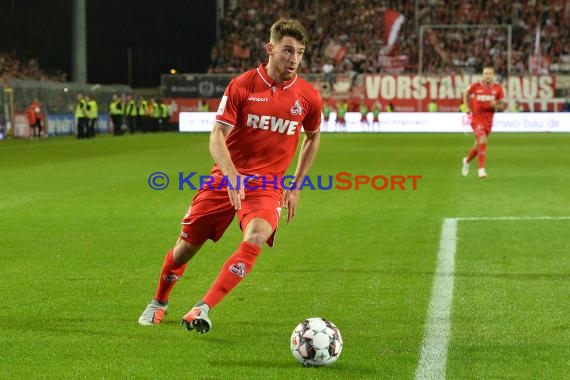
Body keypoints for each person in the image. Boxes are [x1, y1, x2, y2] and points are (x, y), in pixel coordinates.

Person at [138, 19, 323, 334]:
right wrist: (233, 175)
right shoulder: (243, 85)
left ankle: (203, 307)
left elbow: (313, 137)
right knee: (185, 248)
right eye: (287, 50)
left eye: (300, 53)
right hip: (225, 180)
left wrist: (296, 183)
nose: (294, 59)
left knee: (256, 236)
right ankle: (159, 301)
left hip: (267, 187)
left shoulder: (307, 96)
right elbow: (216, 136)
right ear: (270, 48)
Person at [461, 65, 506, 178]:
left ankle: (466, 161)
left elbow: (502, 105)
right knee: (483, 139)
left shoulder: (498, 88)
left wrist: (496, 104)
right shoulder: (475, 86)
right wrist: (467, 107)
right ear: (482, 74)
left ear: (493, 75)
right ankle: (481, 169)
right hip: (476, 119)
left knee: (478, 144)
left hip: (488, 121)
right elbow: (466, 94)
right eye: (486, 73)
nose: (488, 76)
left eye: (490, 73)